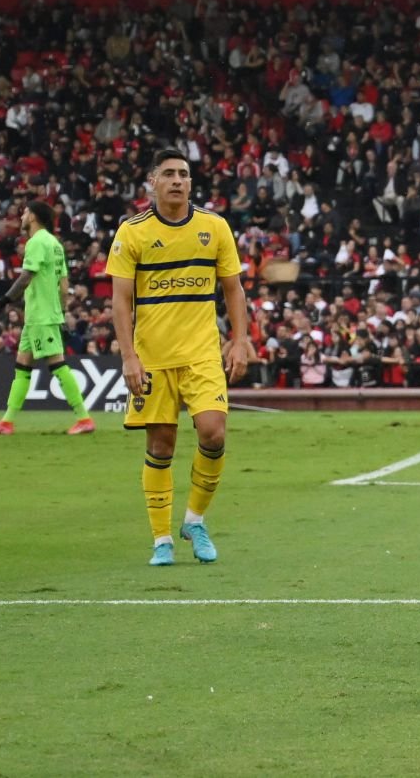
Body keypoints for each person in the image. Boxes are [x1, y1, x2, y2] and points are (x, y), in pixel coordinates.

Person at [107, 148, 250, 567]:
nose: (176, 180)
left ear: (190, 182)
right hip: (152, 356)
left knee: (214, 432)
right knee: (161, 443)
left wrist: (239, 341)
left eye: (183, 174)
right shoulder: (131, 232)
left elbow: (233, 289)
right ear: (152, 182)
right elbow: (120, 301)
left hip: (202, 352)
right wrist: (129, 357)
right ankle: (161, 540)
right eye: (168, 173)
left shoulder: (214, 227)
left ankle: (195, 520)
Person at [0, 200, 95, 436]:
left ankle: (84, 418)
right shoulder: (55, 244)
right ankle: (7, 422)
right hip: (40, 316)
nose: (21, 217)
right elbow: (64, 285)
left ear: (32, 217)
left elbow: (26, 277)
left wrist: (4, 299)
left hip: (41, 316)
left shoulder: (36, 242)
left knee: (58, 366)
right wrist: (60, 313)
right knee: (22, 367)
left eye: (24, 213)